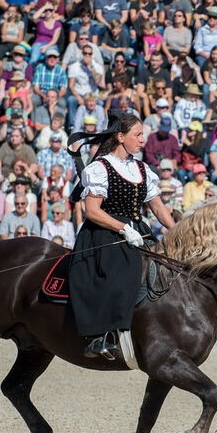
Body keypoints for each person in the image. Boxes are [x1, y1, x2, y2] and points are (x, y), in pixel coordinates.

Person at [68, 111, 176, 359]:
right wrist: (123, 228)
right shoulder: (100, 168)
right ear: (120, 136)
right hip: (105, 233)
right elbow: (92, 211)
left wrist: (178, 231)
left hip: (138, 230)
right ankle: (100, 336)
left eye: (142, 135)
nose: (142, 141)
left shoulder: (141, 168)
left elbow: (158, 207)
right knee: (124, 268)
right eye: (137, 135)